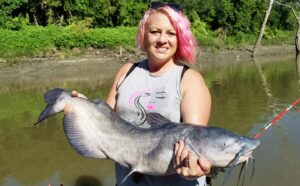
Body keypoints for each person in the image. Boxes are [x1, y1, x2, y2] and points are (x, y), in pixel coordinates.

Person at [70, 1, 211, 186]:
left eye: (171, 33)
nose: (162, 39)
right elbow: (105, 127)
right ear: (144, 35)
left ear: (180, 38)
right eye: (155, 32)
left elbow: (194, 144)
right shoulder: (126, 71)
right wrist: (85, 109)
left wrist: (193, 165)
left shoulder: (190, 80)